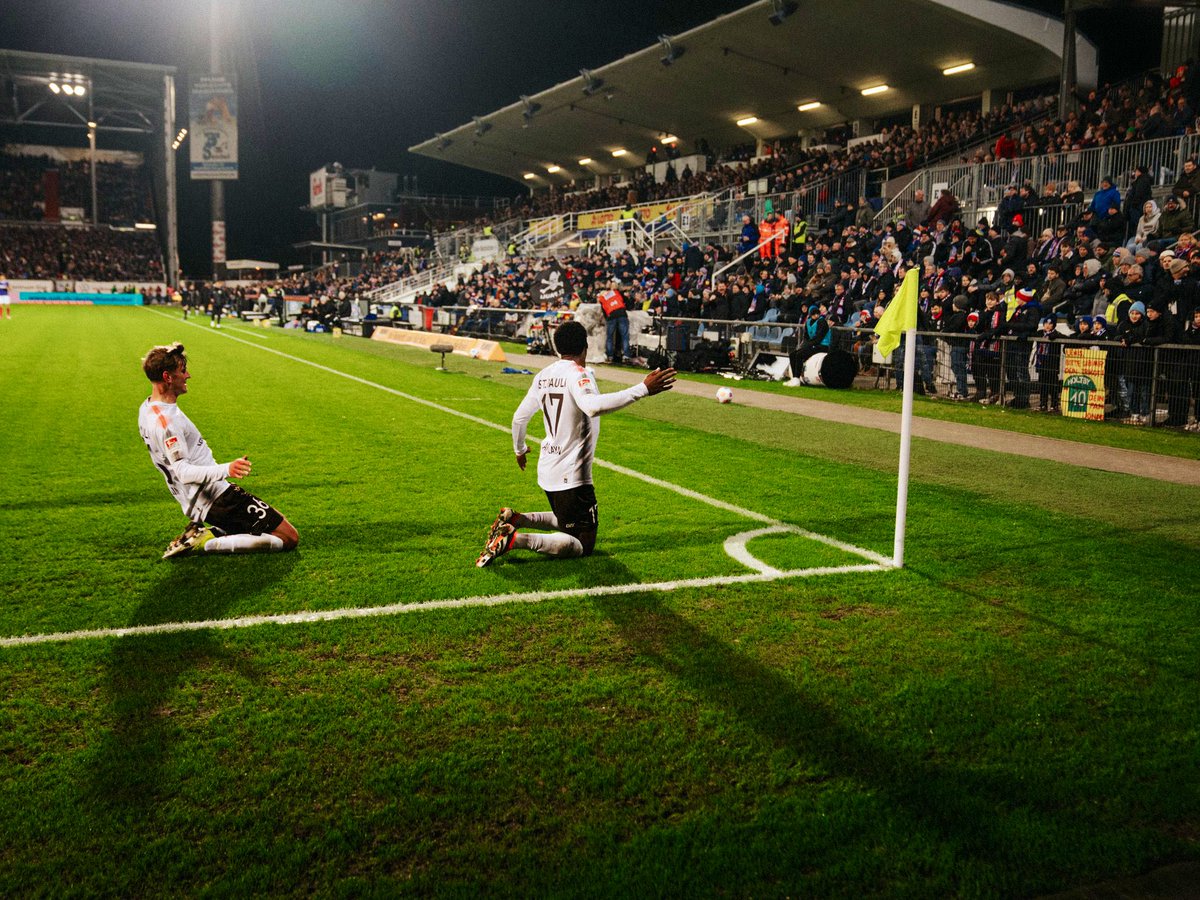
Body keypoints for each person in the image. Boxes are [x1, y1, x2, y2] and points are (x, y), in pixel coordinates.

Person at [475, 321, 676, 567]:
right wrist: (642, 389)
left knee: (568, 518)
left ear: (559, 347)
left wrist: (519, 450)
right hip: (571, 473)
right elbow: (592, 406)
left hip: (548, 466)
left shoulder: (543, 375)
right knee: (583, 542)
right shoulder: (577, 373)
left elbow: (519, 418)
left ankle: (515, 518)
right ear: (585, 346)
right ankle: (515, 539)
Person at [138, 342, 299, 558]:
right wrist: (227, 469)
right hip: (215, 496)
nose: (188, 376)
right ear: (168, 377)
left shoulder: (147, 408)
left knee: (274, 519)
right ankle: (206, 542)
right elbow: (182, 472)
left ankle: (203, 533)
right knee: (288, 537)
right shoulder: (168, 423)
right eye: (183, 371)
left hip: (198, 498)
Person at [597, 279, 630, 365]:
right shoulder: (616, 292)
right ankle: (626, 356)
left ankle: (610, 356)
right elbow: (626, 301)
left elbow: (604, 311)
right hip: (622, 313)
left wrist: (607, 318)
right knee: (625, 336)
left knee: (610, 337)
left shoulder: (602, 298)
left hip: (611, 316)